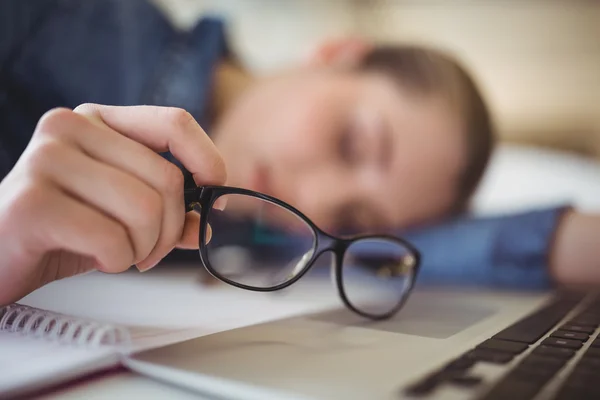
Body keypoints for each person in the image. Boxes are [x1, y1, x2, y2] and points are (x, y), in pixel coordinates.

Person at [0, 0, 599, 306]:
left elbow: (376, 256)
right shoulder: (63, 23)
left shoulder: (243, 234)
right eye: (351, 143)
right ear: (335, 51)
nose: (307, 203)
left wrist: (559, 237)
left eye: (355, 216)